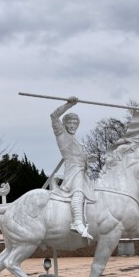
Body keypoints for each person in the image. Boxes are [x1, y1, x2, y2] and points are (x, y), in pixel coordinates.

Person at [50, 97, 95, 239]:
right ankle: (77, 222)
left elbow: (79, 157)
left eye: (75, 123)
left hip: (82, 171)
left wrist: (89, 159)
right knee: (78, 193)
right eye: (69, 122)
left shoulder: (77, 140)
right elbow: (54, 116)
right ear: (64, 124)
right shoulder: (61, 134)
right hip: (73, 171)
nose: (72, 125)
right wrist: (69, 105)